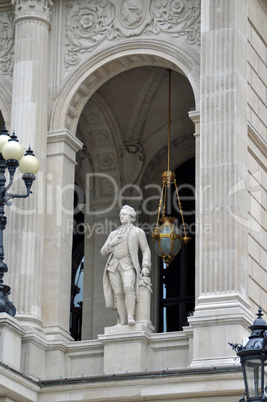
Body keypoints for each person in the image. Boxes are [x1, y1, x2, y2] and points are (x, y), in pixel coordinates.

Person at [101, 205, 151, 326]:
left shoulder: (137, 232)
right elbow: (103, 252)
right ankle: (122, 320)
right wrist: (112, 243)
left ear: (131, 217)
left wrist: (145, 266)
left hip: (128, 263)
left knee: (129, 288)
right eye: (120, 214)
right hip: (113, 265)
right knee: (118, 293)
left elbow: (146, 250)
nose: (121, 216)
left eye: (124, 214)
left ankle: (130, 316)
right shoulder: (114, 234)